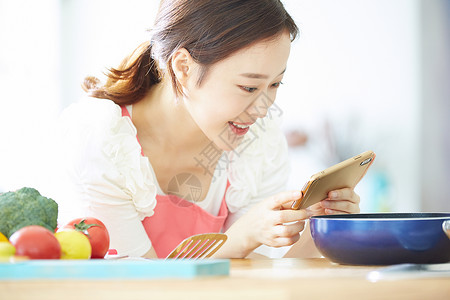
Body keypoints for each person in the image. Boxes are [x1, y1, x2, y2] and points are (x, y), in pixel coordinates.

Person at [55, 0, 361, 259]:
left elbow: (254, 281)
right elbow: (141, 285)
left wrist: (318, 234)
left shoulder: (257, 141)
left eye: (275, 84)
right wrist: (239, 239)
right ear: (183, 68)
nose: (264, 107)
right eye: (249, 86)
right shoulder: (101, 139)